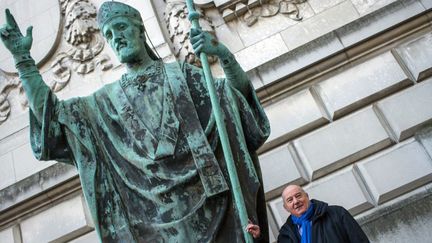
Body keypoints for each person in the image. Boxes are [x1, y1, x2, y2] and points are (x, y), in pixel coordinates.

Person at [0, 1, 270, 242]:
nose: (116, 37)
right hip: (149, 224)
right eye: (108, 34)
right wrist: (24, 62)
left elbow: (235, 100)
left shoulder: (183, 76)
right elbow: (53, 115)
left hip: (213, 210)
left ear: (141, 30)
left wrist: (224, 55)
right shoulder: (101, 105)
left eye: (120, 27)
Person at [246, 185, 369, 243]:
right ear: (286, 208)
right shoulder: (286, 234)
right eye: (290, 200)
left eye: (298, 196)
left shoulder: (336, 213)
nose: (296, 201)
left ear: (307, 196)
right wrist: (258, 238)